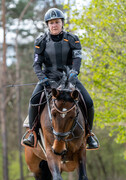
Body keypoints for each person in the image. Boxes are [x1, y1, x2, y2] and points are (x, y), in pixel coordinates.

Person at [23, 8, 99, 149]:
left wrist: (74, 72)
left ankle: (89, 134)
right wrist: (42, 78)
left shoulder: (72, 39)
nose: (54, 25)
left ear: (62, 23)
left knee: (88, 102)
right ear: (48, 25)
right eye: (51, 23)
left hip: (69, 79)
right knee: (33, 100)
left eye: (57, 22)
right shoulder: (41, 41)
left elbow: (77, 58)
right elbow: (37, 64)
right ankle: (32, 133)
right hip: (48, 79)